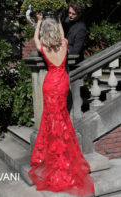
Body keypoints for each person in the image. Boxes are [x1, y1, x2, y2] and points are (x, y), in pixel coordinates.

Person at [28, 13, 94, 197]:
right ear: (57, 31)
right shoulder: (64, 44)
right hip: (62, 82)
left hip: (50, 84)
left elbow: (35, 38)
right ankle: (63, 151)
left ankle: (52, 152)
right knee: (62, 116)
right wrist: (58, 21)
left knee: (51, 117)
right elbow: (62, 33)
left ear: (45, 33)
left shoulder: (45, 47)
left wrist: (39, 22)